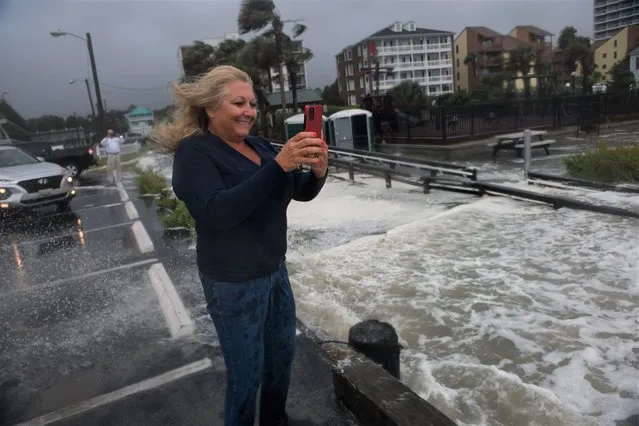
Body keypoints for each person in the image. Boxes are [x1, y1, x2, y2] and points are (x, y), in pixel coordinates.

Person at [153, 65, 328, 426]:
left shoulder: (260, 146)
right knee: (247, 374)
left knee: (282, 357)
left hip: (275, 272)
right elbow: (218, 212)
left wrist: (318, 173)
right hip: (233, 283)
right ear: (211, 108)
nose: (249, 110)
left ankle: (276, 420)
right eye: (238, 102)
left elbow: (299, 191)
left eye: (251, 103)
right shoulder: (195, 153)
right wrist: (278, 167)